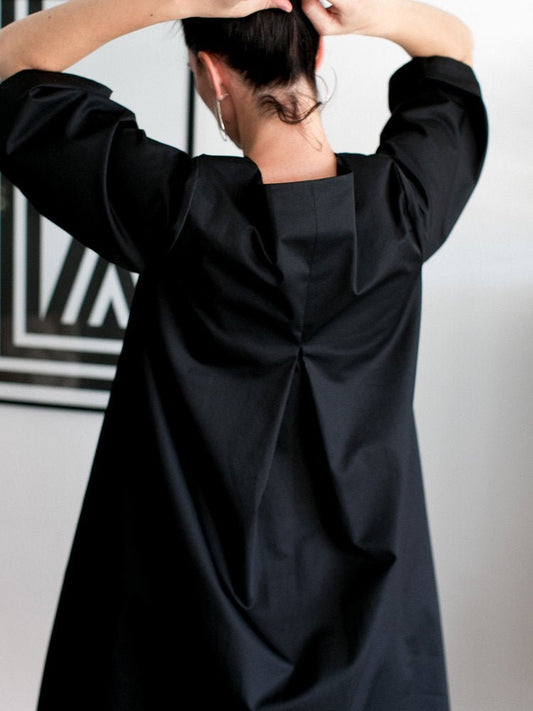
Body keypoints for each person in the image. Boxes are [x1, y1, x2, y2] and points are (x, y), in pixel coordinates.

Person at [0, 0, 488, 708]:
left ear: (211, 75)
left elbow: (10, 63)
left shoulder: (174, 211)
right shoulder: (403, 209)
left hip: (177, 641)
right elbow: (451, 52)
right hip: (368, 649)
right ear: (317, 57)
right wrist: (368, 13)